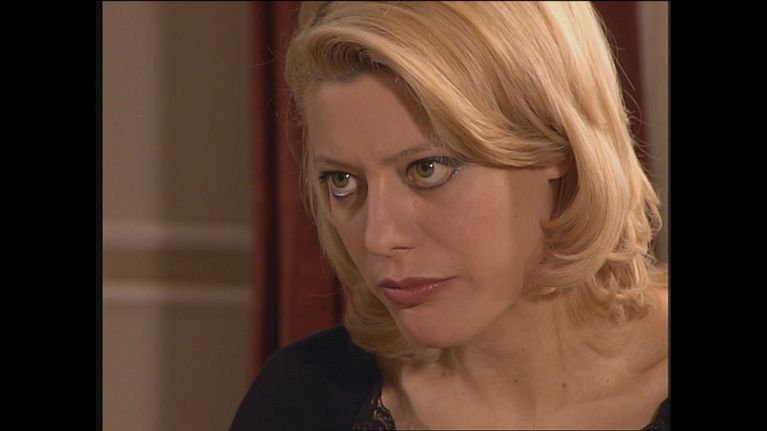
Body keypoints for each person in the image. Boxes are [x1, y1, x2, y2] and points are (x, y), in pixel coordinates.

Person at [231, 1, 668, 429]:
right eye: (343, 181)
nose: (378, 237)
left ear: (558, 145)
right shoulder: (300, 399)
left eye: (428, 170)